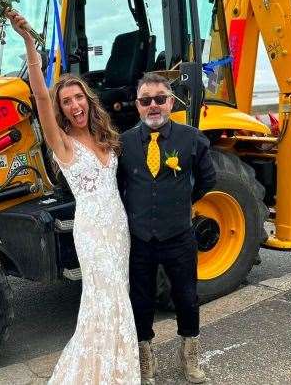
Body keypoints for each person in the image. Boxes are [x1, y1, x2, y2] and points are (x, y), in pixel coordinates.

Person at [6, 9, 140, 384]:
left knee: (119, 297)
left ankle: (116, 369)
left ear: (88, 100)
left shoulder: (103, 136)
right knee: (103, 299)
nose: (75, 106)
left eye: (78, 98)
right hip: (93, 233)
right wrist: (30, 44)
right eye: (67, 102)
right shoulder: (62, 143)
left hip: (118, 229)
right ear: (61, 109)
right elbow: (40, 98)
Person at [117, 73, 216, 384]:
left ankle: (190, 356)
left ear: (171, 102)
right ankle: (146, 359)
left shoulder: (192, 139)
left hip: (179, 237)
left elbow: (206, 181)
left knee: (187, 298)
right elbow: (121, 187)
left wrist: (181, 203)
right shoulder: (125, 144)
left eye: (160, 98)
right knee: (141, 301)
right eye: (146, 100)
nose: (154, 105)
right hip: (140, 240)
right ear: (138, 106)